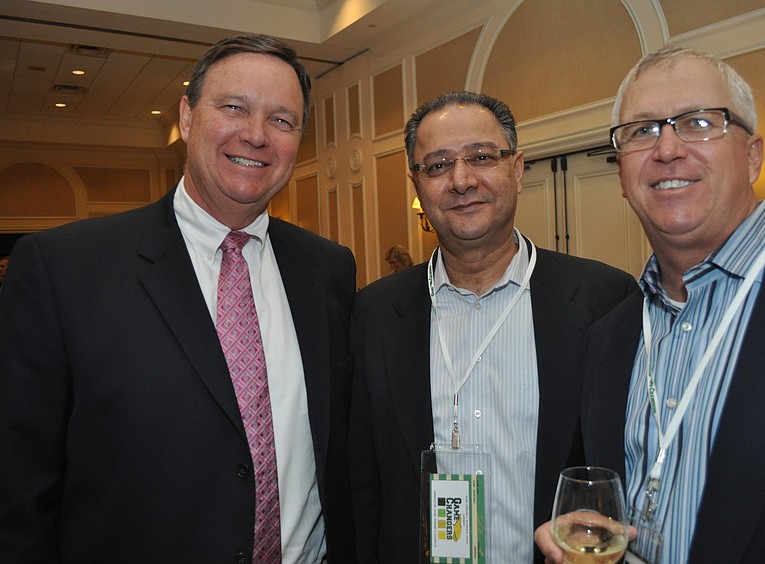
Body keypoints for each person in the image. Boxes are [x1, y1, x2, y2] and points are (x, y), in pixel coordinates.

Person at [0, 35, 356, 562]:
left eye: (282, 120)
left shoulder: (329, 268)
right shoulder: (64, 269)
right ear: (187, 117)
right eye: (234, 107)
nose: (256, 134)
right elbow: (19, 487)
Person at [535, 46, 765, 563]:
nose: (667, 148)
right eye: (642, 130)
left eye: (699, 122)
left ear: (753, 155)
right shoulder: (608, 337)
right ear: (622, 176)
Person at [349, 90, 637, 563]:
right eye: (438, 166)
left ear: (517, 169)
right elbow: (363, 482)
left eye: (481, 157)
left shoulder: (604, 299)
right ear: (417, 184)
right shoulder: (375, 313)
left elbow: (621, 464)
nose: (462, 180)